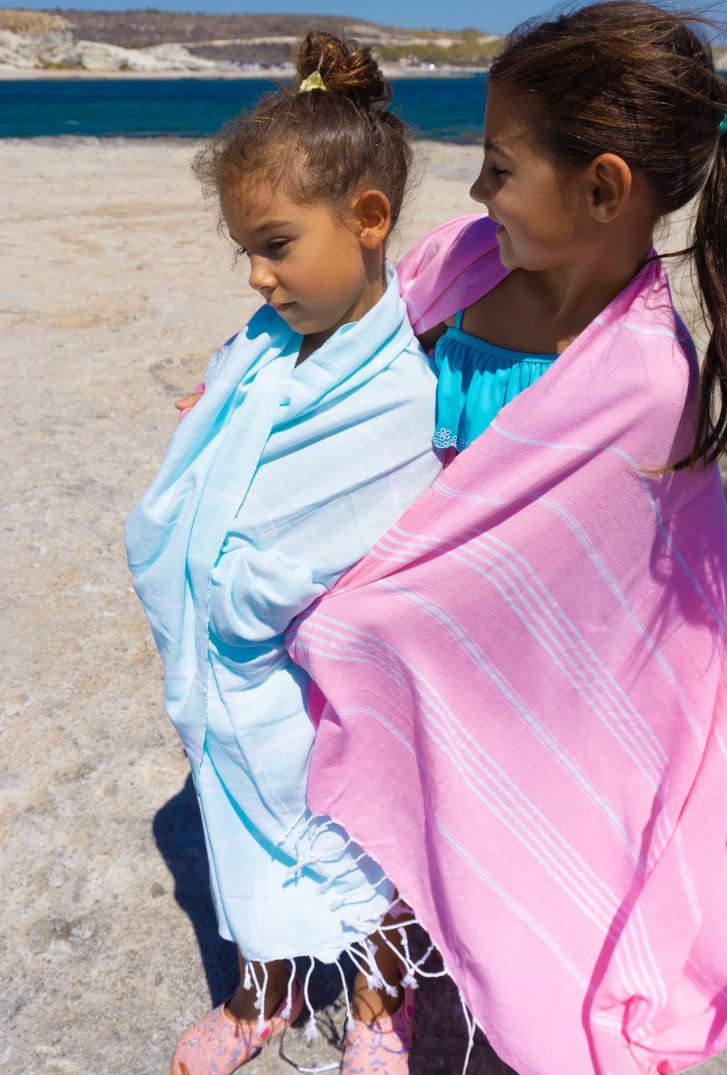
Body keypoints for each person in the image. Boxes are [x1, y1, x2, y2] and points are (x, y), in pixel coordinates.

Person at [283, 4, 727, 1073]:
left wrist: (379, 611)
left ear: (603, 188)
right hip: (420, 594)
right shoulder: (467, 266)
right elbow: (360, 359)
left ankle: (467, 962)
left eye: (496, 168)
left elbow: (611, 591)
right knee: (389, 799)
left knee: (483, 806)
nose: (477, 192)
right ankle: (381, 991)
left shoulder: (644, 379)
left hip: (513, 654)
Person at [125, 32, 442, 1075]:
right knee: (241, 828)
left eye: (272, 245)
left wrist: (238, 592)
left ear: (366, 220)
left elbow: (360, 527)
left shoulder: (394, 389)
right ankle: (262, 991)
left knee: (371, 841)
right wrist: (215, 417)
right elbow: (233, 411)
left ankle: (372, 1007)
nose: (257, 278)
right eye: (245, 253)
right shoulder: (266, 348)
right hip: (244, 688)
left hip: (336, 686)